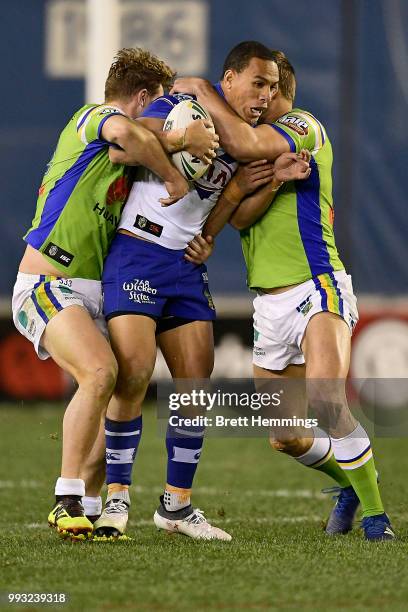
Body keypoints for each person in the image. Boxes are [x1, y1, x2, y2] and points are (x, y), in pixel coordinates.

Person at [83, 41, 310, 541]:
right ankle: (116, 500)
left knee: (194, 387)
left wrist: (214, 231)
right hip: (137, 251)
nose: (265, 95)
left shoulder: (246, 138)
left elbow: (223, 208)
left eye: (272, 87)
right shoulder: (181, 107)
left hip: (184, 267)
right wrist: (178, 140)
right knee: (135, 376)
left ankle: (176, 506)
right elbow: (124, 146)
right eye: (258, 82)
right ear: (227, 80)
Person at [181, 51, 395, 541]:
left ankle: (377, 520)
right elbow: (238, 219)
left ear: (275, 93)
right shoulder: (259, 154)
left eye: (262, 89)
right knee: (286, 436)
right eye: (252, 89)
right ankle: (353, 485)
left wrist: (201, 88)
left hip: (317, 286)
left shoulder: (304, 127)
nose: (255, 99)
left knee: (326, 402)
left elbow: (241, 137)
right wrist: (267, 181)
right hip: (269, 305)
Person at [11, 47, 218, 540]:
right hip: (47, 283)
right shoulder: (93, 117)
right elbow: (125, 133)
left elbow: (135, 147)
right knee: (100, 372)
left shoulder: (133, 154)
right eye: (159, 102)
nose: (164, 112)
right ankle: (65, 500)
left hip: (94, 292)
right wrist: (175, 156)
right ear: (143, 95)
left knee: (126, 389)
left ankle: (85, 500)